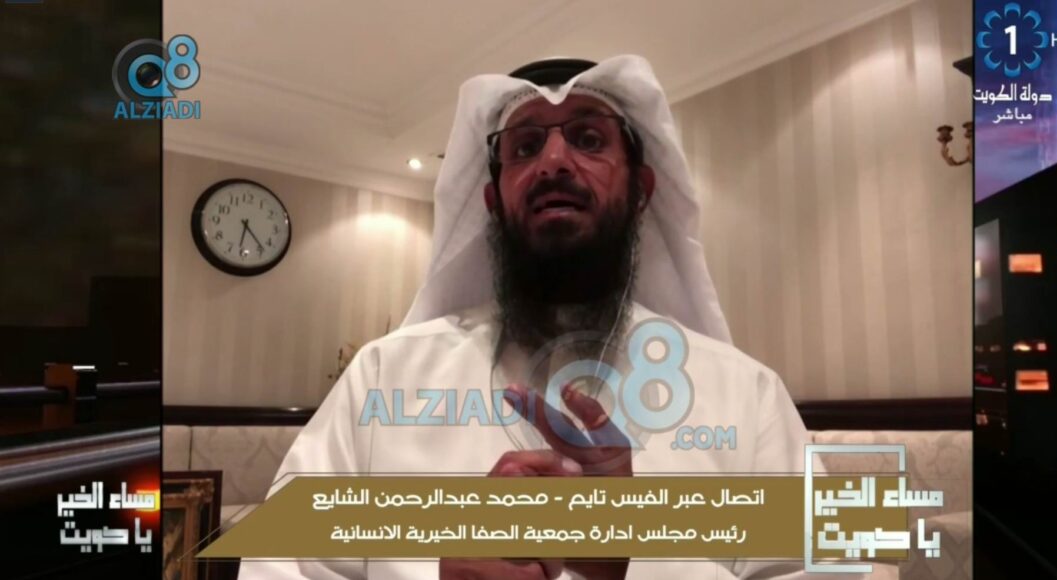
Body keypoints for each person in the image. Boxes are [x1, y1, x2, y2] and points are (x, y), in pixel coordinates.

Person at [238, 55, 864, 580]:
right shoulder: (383, 377)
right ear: (494, 201)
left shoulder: (748, 395)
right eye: (526, 146)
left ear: (641, 191)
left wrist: (636, 557)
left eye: (588, 139)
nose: (554, 161)